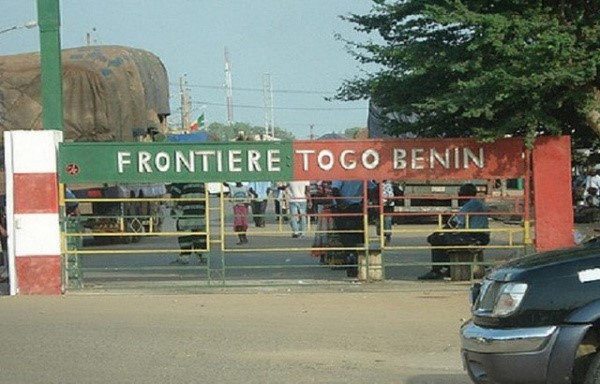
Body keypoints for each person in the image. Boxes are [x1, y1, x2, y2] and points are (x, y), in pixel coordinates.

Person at [419, 183, 490, 280]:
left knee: (436, 240)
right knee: (448, 239)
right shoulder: (477, 202)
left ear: (465, 194)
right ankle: (449, 267)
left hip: (475, 235)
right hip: (481, 235)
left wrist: (438, 232)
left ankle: (436, 270)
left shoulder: (471, 204)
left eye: (460, 193)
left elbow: (455, 223)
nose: (459, 195)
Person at [331, 180, 377, 277]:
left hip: (342, 209)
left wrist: (341, 203)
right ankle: (357, 263)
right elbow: (373, 188)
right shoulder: (361, 174)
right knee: (358, 237)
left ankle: (351, 261)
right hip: (356, 207)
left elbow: (335, 190)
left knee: (346, 237)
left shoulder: (340, 174)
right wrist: (370, 200)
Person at [169, 182, 207, 265]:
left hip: (185, 211)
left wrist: (174, 209)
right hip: (200, 210)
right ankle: (203, 255)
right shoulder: (200, 179)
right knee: (200, 233)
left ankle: (185, 256)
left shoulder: (180, 179)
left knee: (184, 234)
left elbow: (175, 196)